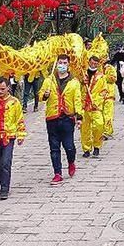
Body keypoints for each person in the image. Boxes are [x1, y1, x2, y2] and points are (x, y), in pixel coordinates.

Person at [40, 53, 83, 184]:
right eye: (60, 63)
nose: (62, 65)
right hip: (52, 118)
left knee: (69, 146)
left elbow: (77, 100)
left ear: (68, 65)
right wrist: (45, 95)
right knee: (54, 147)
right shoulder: (49, 80)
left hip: (67, 118)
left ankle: (71, 162)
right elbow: (41, 96)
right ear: (56, 63)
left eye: (64, 63)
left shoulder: (74, 82)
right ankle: (57, 173)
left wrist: (79, 117)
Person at [0, 77, 26, 200]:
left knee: (5, 162)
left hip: (9, 136)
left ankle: (5, 189)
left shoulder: (14, 102)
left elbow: (19, 119)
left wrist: (21, 134)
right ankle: (2, 183)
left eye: (2, 89)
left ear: (8, 88)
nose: (0, 91)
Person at [80, 55, 107, 158]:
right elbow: (77, 88)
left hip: (96, 106)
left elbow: (104, 91)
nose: (93, 65)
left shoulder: (101, 76)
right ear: (89, 62)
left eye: (96, 63)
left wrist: (98, 101)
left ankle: (97, 146)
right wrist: (82, 83)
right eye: (92, 63)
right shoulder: (82, 74)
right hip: (84, 106)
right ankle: (86, 149)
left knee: (99, 125)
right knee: (84, 129)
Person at [102, 58, 118, 138]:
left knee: (107, 114)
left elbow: (113, 78)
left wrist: (102, 77)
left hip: (109, 95)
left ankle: (107, 131)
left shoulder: (110, 68)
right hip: (99, 96)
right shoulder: (97, 68)